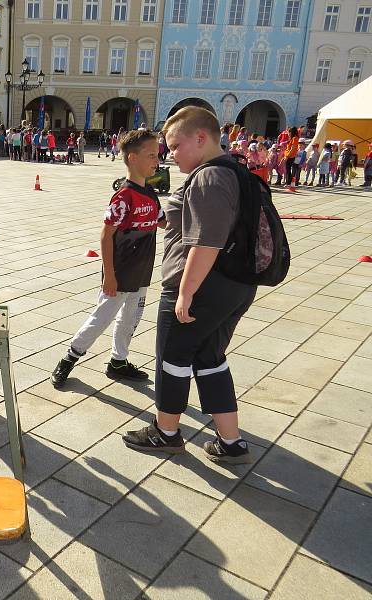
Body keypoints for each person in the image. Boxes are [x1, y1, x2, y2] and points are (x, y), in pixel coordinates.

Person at [123, 106, 257, 464]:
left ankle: (165, 433)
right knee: (211, 359)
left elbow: (207, 241)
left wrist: (185, 292)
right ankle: (231, 442)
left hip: (201, 286)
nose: (170, 154)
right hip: (234, 285)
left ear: (200, 138)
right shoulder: (235, 171)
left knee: (173, 358)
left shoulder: (208, 177)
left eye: (176, 146)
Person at [51, 129, 165, 388]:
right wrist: (109, 275)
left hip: (142, 269)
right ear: (133, 158)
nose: (157, 161)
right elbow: (105, 237)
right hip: (120, 270)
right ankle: (69, 359)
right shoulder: (123, 197)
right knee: (101, 318)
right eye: (151, 155)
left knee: (131, 318)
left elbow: (161, 222)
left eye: (157, 155)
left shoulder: (150, 192)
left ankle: (118, 361)